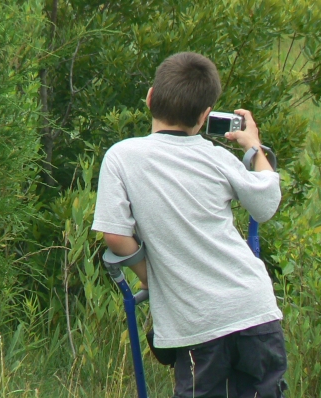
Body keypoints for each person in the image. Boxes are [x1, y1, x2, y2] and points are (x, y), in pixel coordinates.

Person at [92, 52, 287, 398]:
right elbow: (266, 203)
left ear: (151, 97)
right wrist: (254, 147)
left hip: (197, 322)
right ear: (206, 116)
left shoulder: (121, 157)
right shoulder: (216, 157)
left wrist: (153, 278)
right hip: (255, 310)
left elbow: (116, 236)